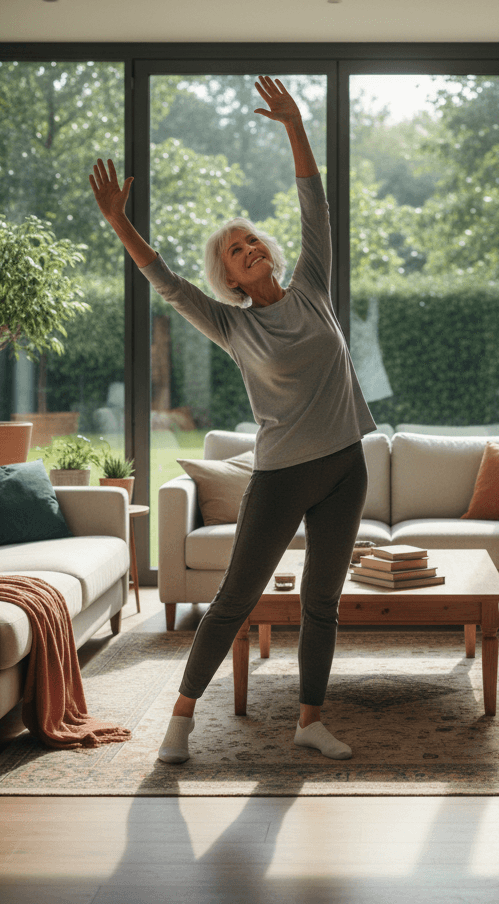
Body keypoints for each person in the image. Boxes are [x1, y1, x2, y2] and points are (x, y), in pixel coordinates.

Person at [89, 76, 376, 763]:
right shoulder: (228, 324)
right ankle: (181, 717)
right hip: (281, 476)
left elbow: (317, 204)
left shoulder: (312, 286)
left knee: (322, 602)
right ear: (231, 280)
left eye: (251, 242)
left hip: (346, 465)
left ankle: (310, 719)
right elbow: (163, 280)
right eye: (233, 254)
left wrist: (295, 126)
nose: (248, 250)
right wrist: (118, 222)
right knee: (234, 600)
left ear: (268, 253)